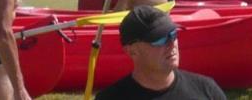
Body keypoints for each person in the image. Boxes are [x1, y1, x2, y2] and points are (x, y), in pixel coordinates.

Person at [95, 6, 226, 100]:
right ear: (132, 51)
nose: (171, 44)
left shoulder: (207, 90)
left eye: (173, 34)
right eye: (160, 39)